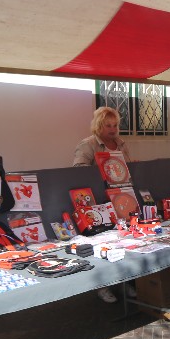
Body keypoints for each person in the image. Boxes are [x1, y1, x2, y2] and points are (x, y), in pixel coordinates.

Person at [72, 106, 134, 303]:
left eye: (115, 125)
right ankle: (103, 286)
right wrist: (101, 171)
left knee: (123, 241)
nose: (113, 129)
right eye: (108, 125)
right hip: (99, 201)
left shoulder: (121, 144)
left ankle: (124, 281)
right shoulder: (88, 144)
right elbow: (77, 170)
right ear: (99, 126)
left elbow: (127, 168)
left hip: (120, 198)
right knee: (102, 243)